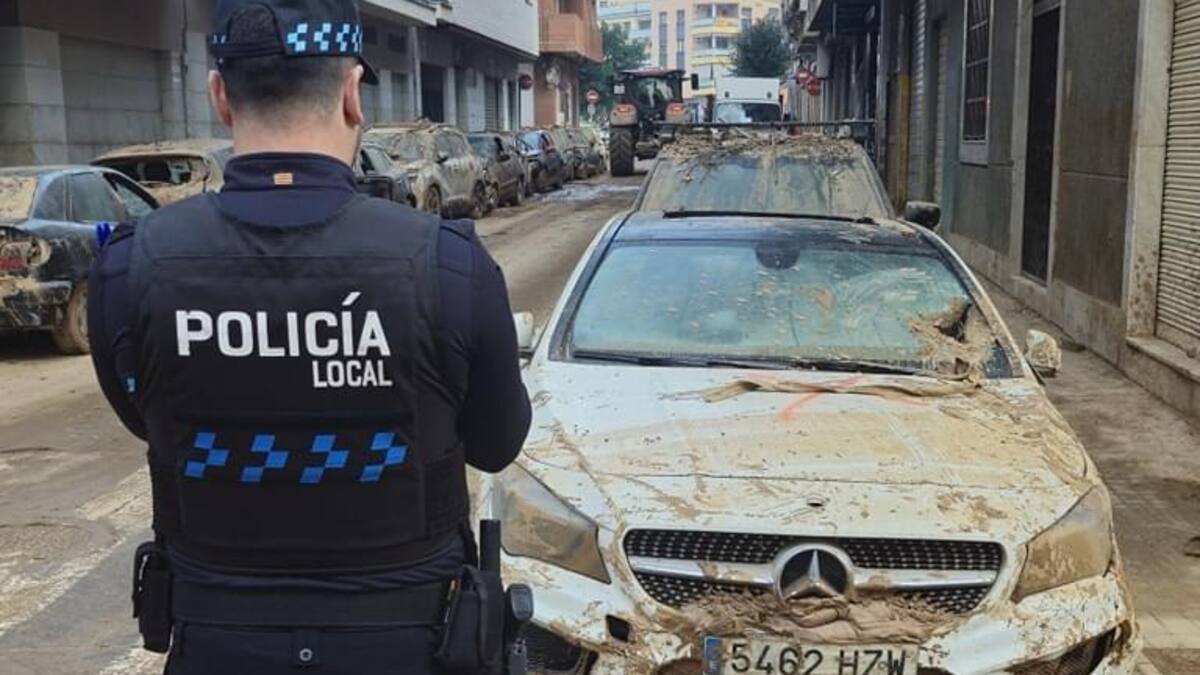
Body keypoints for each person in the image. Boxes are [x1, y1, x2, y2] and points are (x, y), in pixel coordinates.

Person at [87, 0, 532, 672]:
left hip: (217, 643)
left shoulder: (129, 266)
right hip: (410, 645)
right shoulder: (448, 262)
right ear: (353, 94)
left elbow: (149, 419)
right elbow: (497, 443)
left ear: (219, 98)